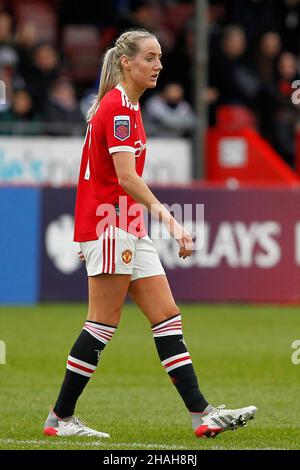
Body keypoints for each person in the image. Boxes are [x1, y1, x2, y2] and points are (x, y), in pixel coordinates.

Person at [43, 29, 257, 440]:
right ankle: (60, 418)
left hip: (125, 224)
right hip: (111, 224)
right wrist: (172, 221)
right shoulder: (120, 110)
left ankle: (202, 414)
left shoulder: (127, 107)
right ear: (127, 62)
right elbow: (126, 178)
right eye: (150, 58)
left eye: (159, 57)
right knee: (102, 323)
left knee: (166, 316)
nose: (159, 65)